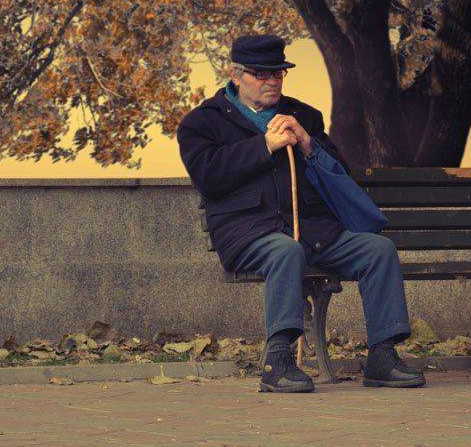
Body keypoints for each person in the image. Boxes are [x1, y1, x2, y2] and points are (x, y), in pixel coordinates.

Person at [177, 34, 426, 393]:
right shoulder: (202, 123)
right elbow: (209, 176)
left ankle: (382, 357)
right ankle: (278, 361)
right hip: (248, 232)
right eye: (261, 74)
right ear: (236, 74)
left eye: (278, 73)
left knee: (378, 250)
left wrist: (309, 144)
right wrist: (263, 145)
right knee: (285, 250)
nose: (272, 81)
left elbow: (340, 172)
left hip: (314, 231)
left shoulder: (303, 115)